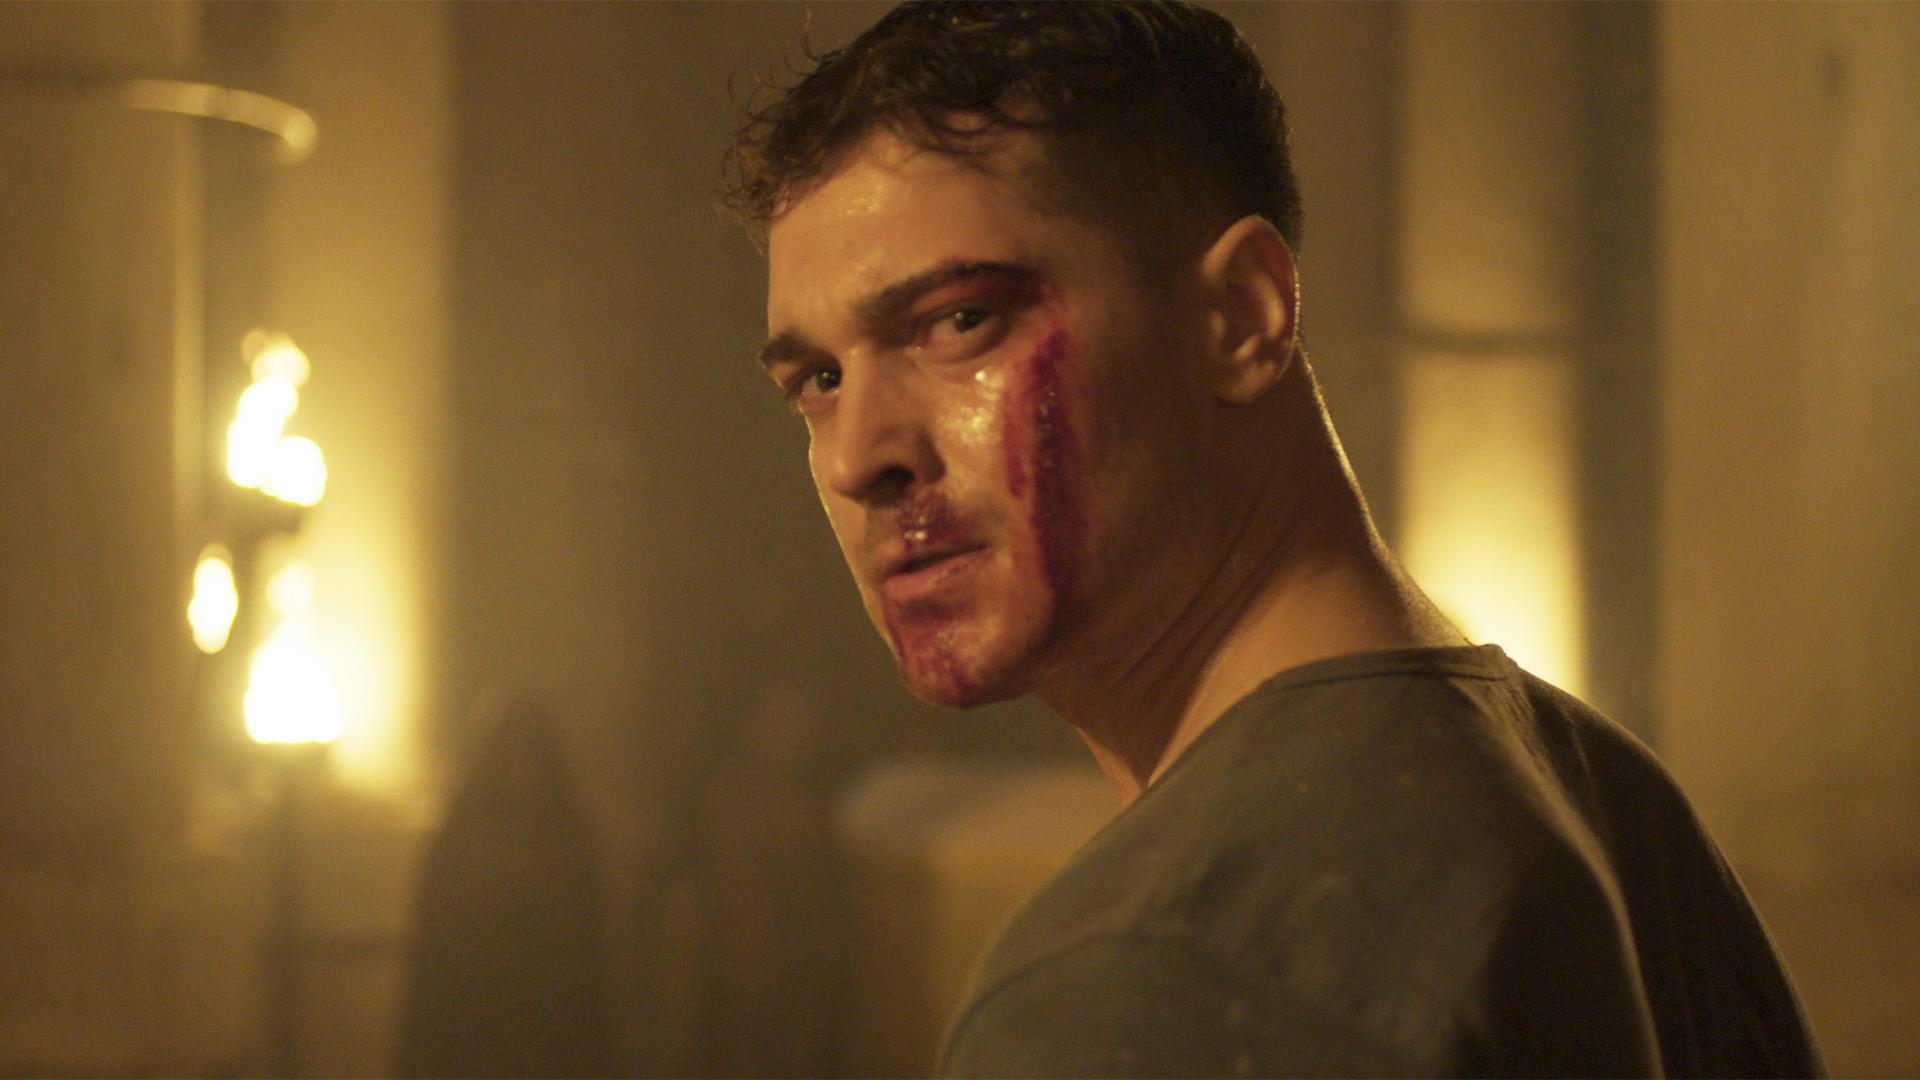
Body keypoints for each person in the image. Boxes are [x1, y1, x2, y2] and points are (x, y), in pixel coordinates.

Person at [724, 2, 1824, 1075]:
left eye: (961, 321)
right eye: (817, 380)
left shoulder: (1156, 970)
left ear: (1242, 315)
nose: (857, 455)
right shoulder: (1615, 808)